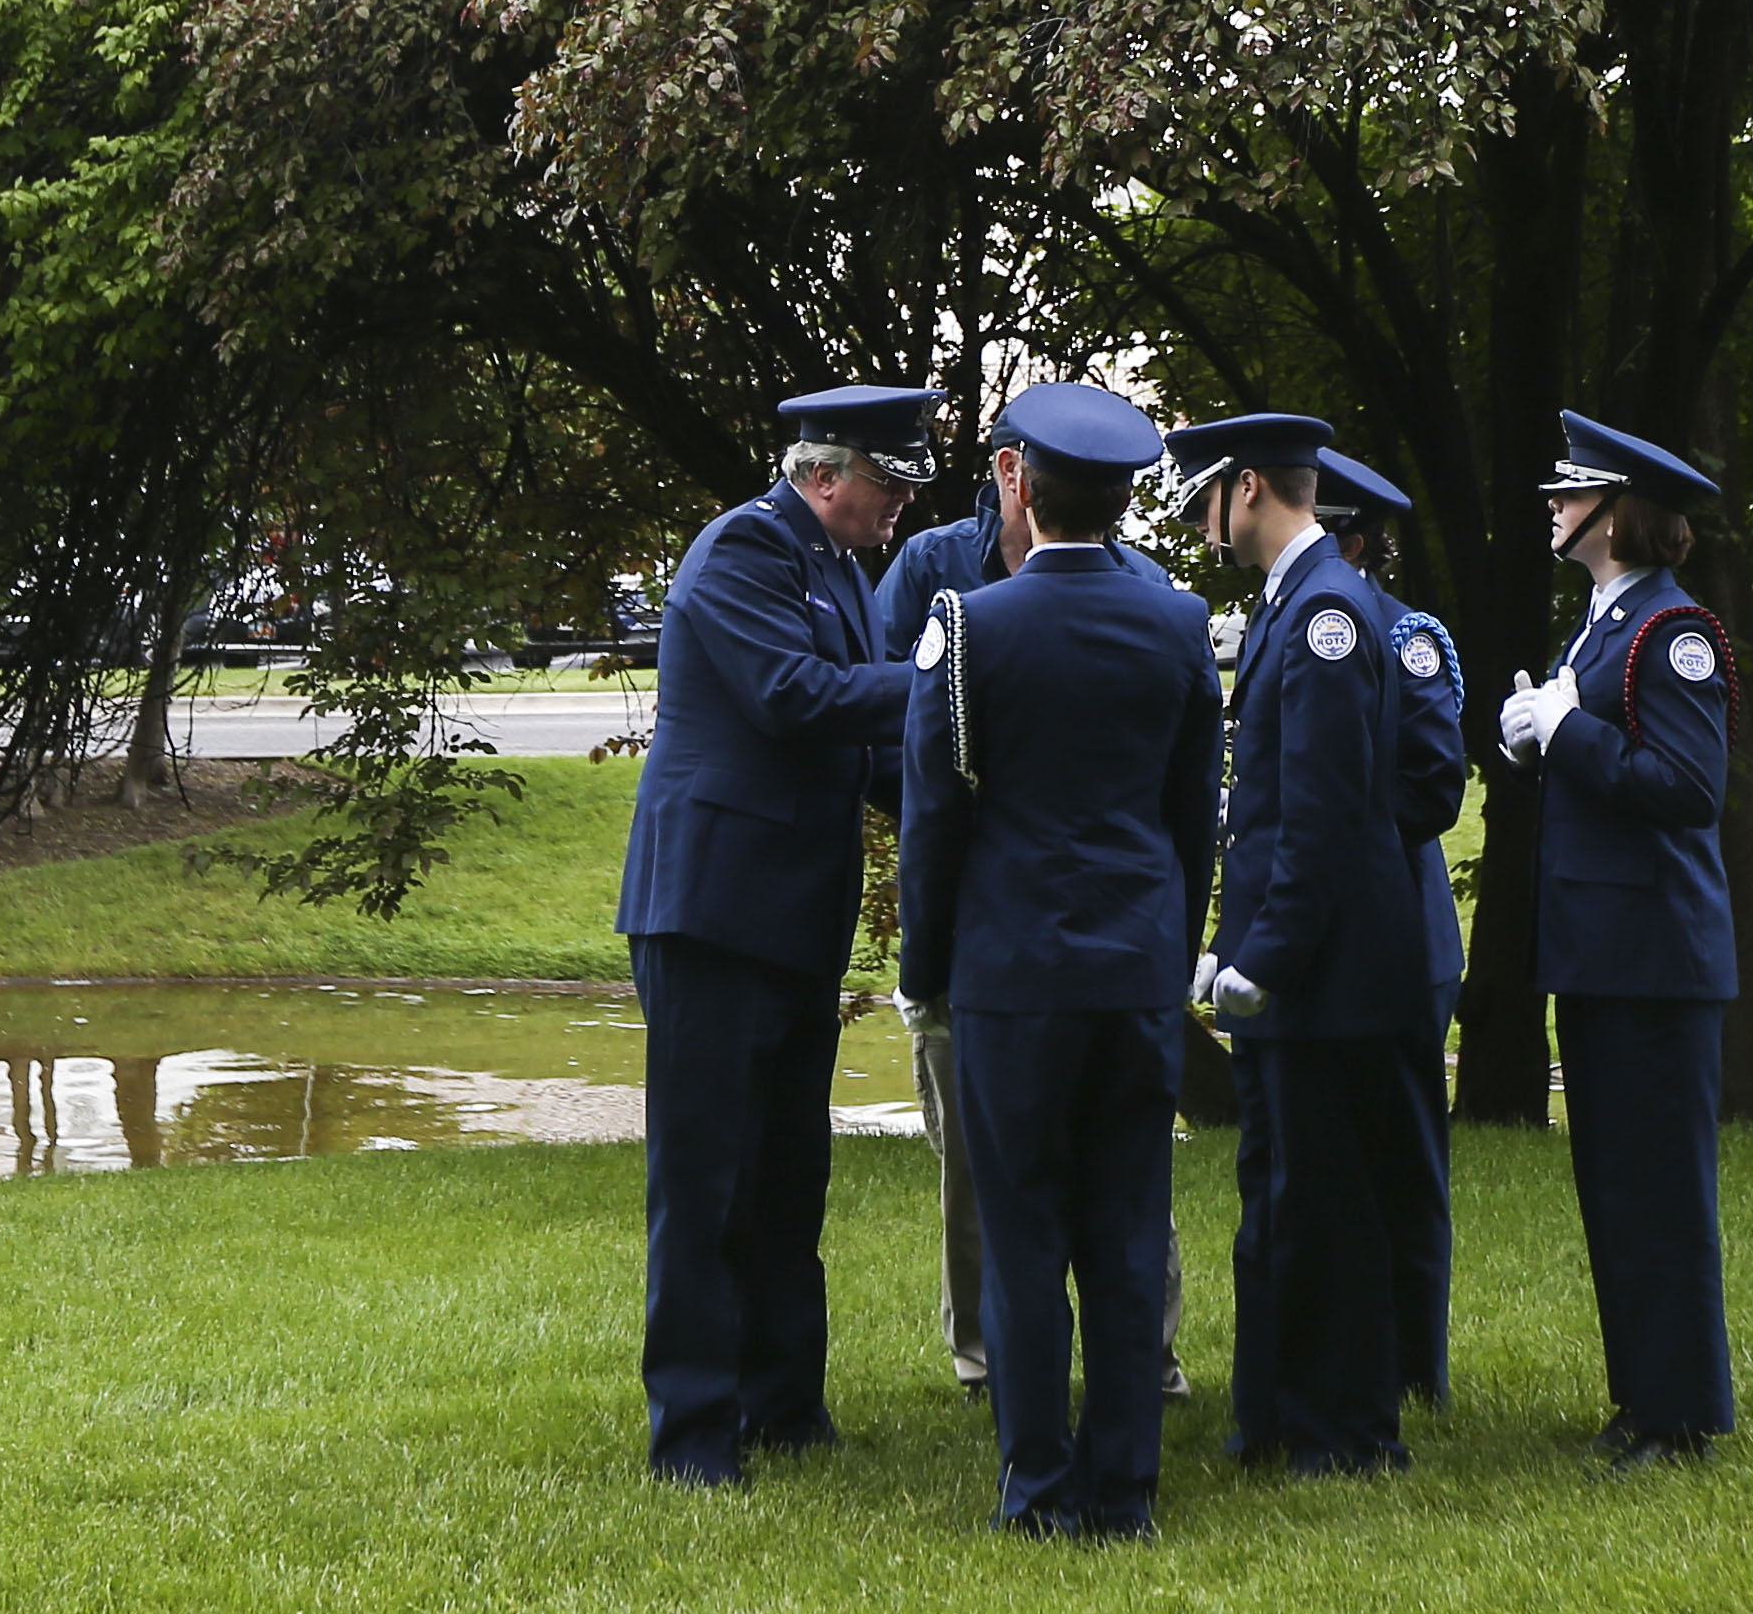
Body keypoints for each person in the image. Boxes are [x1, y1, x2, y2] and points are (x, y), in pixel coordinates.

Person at [894, 381, 1220, 1538]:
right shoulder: (1180, 625)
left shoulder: (969, 624)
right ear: (1125, 500)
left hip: (1012, 973)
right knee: (1127, 1228)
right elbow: (1195, 820)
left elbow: (935, 823)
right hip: (1133, 966)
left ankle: (1037, 1487)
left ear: (1020, 485)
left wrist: (921, 970)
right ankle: (1127, 1490)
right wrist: (1168, 957)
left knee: (1024, 1237)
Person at [613, 382, 931, 1487]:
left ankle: (785, 1404)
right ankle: (694, 1435)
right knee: (705, 1183)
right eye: (890, 484)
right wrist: (952, 682)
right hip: (711, 914)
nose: (899, 505)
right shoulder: (744, 551)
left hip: (790, 918)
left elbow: (864, 744)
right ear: (826, 474)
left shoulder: (840, 567)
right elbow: (799, 698)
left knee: (790, 1173)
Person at [1179, 406, 1436, 1476]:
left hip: (1326, 972)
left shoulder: (1327, 611)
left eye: (1203, 493)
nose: (1196, 516)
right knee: (1282, 1194)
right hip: (1305, 964)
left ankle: (1345, 1431)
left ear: (1247, 488)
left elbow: (1324, 816)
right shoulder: (1302, 600)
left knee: (1325, 1203)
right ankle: (1281, 1416)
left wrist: (1262, 961)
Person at [1493, 410, 1740, 1468]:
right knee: (1614, 1186)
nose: (1554, 504)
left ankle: (1680, 1416)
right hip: (1605, 950)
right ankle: (1643, 1396)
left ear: (1616, 509)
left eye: (1571, 490)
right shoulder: (1602, 622)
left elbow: (1688, 789)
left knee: (1659, 1191)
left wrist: (1569, 731)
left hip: (1654, 955)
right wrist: (1538, 738)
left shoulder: (1670, 628)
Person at [1317, 443, 1467, 1406]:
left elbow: (1432, 788)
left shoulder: (1407, 632)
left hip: (1400, 927)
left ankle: (1415, 1361)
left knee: (1406, 1154)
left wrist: (1345, 823)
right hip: (1330, 924)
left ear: (1356, 540)